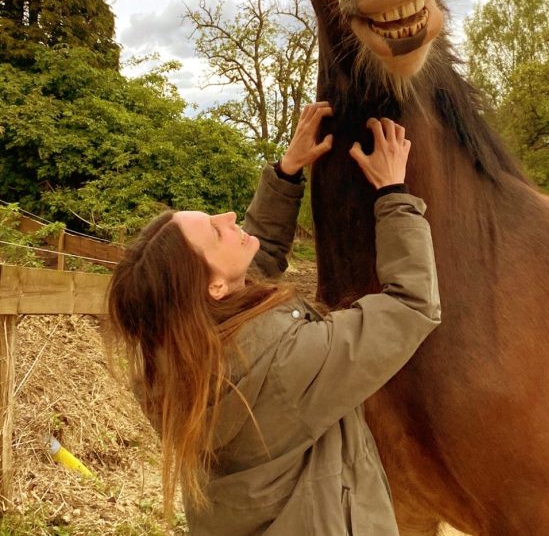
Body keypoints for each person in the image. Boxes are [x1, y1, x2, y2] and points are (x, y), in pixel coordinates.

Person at [107, 102, 440, 535]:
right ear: (212, 288)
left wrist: (286, 172)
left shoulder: (171, 365)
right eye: (214, 230)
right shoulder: (284, 364)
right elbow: (411, 305)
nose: (227, 218)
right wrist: (394, 194)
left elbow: (252, 264)